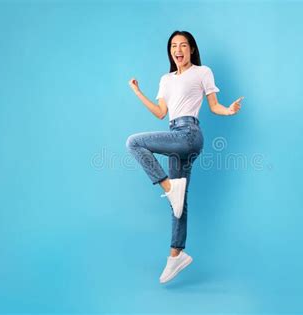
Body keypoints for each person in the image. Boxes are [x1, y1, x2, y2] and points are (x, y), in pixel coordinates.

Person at [126, 30, 243, 284]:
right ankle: (176, 255)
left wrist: (229, 111)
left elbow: (214, 106)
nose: (178, 50)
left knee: (134, 142)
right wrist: (138, 92)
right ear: (170, 52)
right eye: (173, 46)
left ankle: (169, 186)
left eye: (183, 45)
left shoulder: (203, 72)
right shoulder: (166, 79)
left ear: (191, 49)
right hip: (174, 134)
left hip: (189, 134)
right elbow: (160, 112)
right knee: (178, 204)